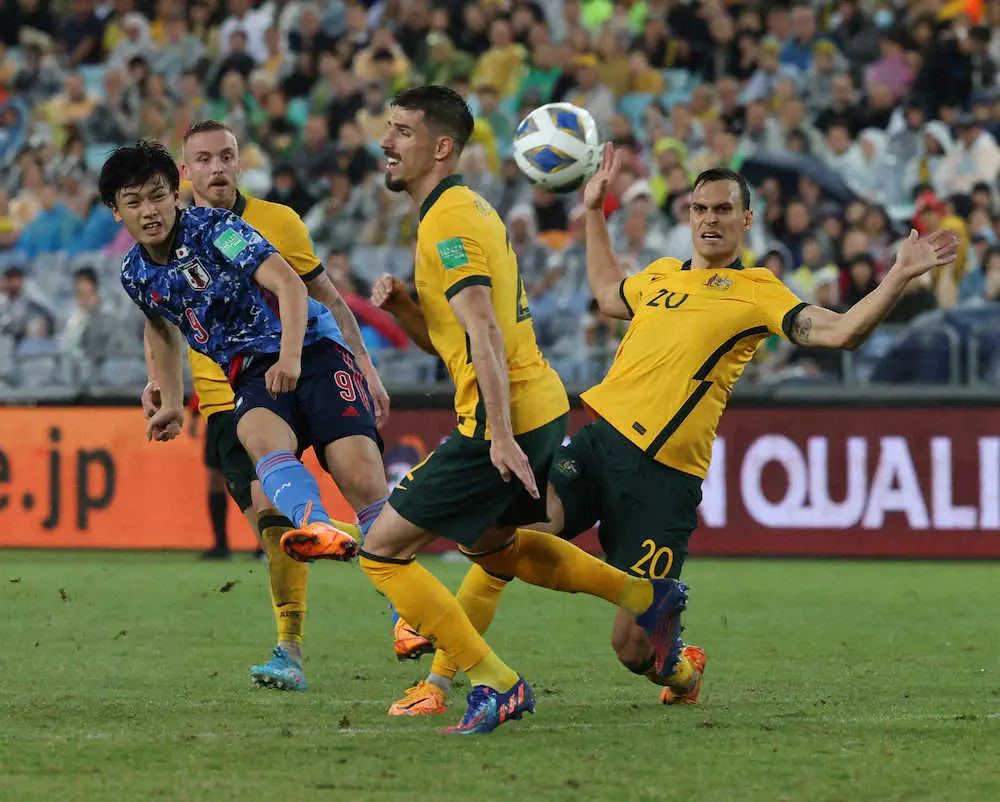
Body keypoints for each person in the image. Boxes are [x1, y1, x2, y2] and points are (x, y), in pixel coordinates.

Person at [385, 151, 961, 716]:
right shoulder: (660, 275)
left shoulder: (759, 290)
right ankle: (438, 684)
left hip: (663, 480)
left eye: (723, 209)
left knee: (633, 650)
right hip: (597, 444)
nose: (710, 219)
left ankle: (683, 670)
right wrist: (594, 213)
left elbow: (841, 333)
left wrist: (897, 275)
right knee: (505, 538)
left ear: (747, 220)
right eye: (699, 208)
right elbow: (608, 293)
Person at [281, 86, 688, 735]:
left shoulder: (449, 221)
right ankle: (645, 594)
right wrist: (406, 309)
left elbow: (485, 332)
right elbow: (458, 339)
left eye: (403, 131)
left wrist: (499, 436)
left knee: (382, 553)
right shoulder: (460, 210)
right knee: (494, 549)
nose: (386, 142)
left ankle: (496, 682)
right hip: (537, 404)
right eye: (388, 128)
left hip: (507, 417)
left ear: (442, 147)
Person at [100, 140, 404, 696]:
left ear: (175, 195)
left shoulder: (219, 228)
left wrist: (296, 359)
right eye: (134, 202)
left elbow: (293, 283)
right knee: (263, 458)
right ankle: (314, 539)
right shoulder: (134, 271)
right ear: (116, 212)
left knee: (362, 479)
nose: (149, 211)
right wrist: (172, 399)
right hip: (247, 373)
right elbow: (161, 324)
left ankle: (407, 611)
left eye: (158, 197)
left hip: (311, 351)